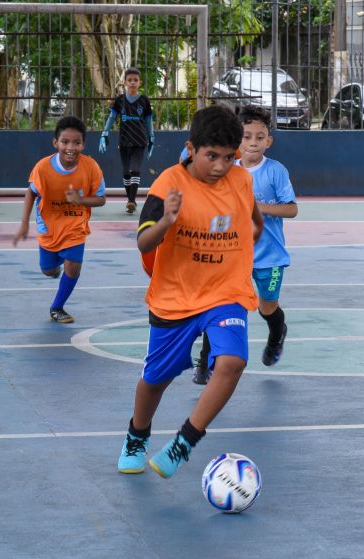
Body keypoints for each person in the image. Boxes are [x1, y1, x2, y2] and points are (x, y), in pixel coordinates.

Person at [117, 105, 264, 478]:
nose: (220, 166)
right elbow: (142, 241)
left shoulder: (241, 180)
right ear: (191, 148)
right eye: (211, 156)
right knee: (155, 380)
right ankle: (137, 435)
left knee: (231, 362)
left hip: (225, 292)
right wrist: (167, 220)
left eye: (229, 158)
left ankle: (185, 440)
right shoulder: (169, 184)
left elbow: (255, 221)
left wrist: (247, 241)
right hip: (176, 296)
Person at [193, 105, 298, 385]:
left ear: (269, 140)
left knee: (267, 308)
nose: (253, 142)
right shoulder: (227, 170)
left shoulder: (276, 171)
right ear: (237, 139)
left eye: (260, 137)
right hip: (234, 254)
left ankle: (277, 334)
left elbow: (291, 209)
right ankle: (206, 362)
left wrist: (255, 207)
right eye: (247, 136)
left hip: (269, 256)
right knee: (219, 305)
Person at [12, 116, 106, 324]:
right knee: (49, 270)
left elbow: (101, 199)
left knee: (73, 266)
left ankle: (57, 307)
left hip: (75, 225)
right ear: (56, 143)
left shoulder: (91, 168)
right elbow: (31, 193)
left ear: (83, 144)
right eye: (65, 142)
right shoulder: (43, 168)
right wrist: (25, 223)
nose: (70, 147)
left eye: (76, 142)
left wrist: (81, 200)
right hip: (49, 225)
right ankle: (56, 269)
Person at [99, 67, 154, 214]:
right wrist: (104, 133)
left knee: (134, 169)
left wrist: (152, 138)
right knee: (126, 172)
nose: (132, 83)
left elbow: (149, 120)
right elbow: (112, 117)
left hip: (140, 141)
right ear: (125, 82)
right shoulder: (120, 100)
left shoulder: (144, 101)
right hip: (124, 141)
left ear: (140, 82)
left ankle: (132, 200)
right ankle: (130, 199)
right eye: (130, 80)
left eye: (135, 80)